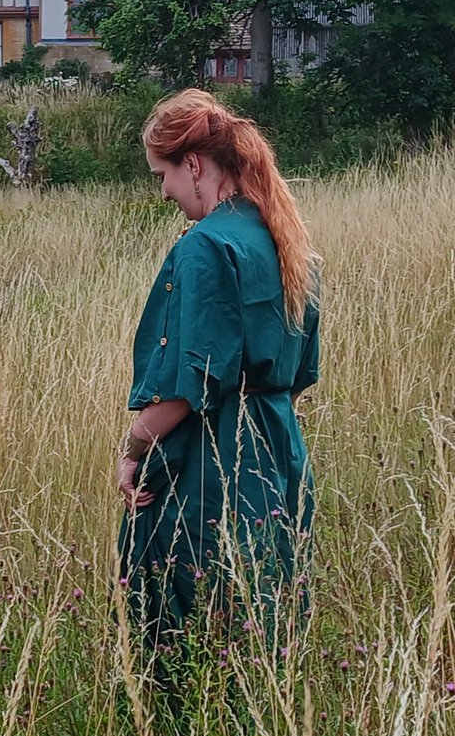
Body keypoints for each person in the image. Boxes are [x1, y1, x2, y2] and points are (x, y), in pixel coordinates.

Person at [118, 89, 319, 644]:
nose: (163, 191)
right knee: (265, 615)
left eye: (163, 174)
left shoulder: (204, 247)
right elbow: (299, 371)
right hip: (278, 453)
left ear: (195, 165)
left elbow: (188, 387)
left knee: (193, 628)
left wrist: (134, 449)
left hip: (210, 463)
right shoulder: (285, 238)